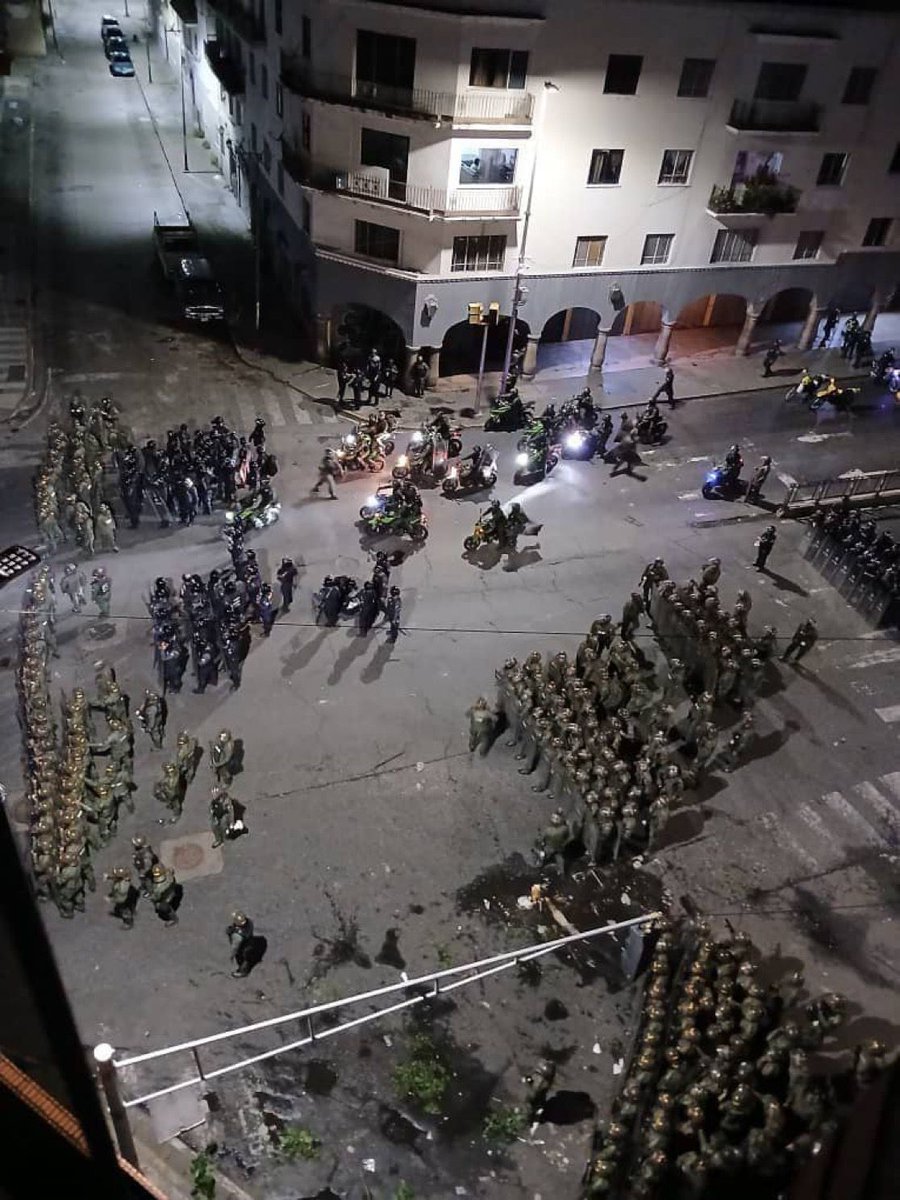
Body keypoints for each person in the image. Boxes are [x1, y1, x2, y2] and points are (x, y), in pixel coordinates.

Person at [147, 862, 179, 926]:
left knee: (162, 906)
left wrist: (152, 897)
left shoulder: (158, 886)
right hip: (171, 889)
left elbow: (157, 896)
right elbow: (171, 872)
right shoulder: (168, 873)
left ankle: (173, 918)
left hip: (167, 894)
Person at [227, 911, 255, 976]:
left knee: (244, 958)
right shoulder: (247, 922)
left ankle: (243, 972)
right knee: (241, 956)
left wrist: (238, 931)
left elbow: (245, 935)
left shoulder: (247, 926)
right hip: (245, 943)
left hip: (246, 945)